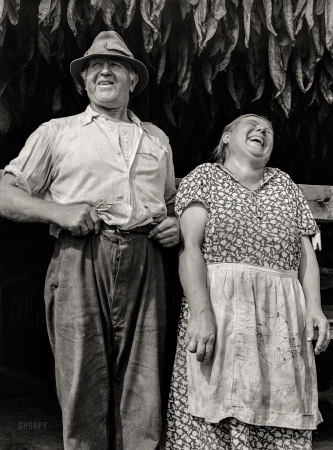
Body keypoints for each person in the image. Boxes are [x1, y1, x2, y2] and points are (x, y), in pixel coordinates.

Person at [0, 31, 179, 450]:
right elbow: (6, 193)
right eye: (94, 66)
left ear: (132, 79)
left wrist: (172, 223)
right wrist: (57, 212)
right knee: (82, 377)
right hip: (80, 256)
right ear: (84, 82)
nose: (103, 70)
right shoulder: (57, 131)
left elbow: (170, 201)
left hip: (145, 258)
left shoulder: (157, 138)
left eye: (115, 64)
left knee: (144, 380)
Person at [165, 114, 330, 450]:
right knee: (215, 410)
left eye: (268, 129)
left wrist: (314, 307)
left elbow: (305, 255)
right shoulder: (205, 177)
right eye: (252, 124)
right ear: (226, 137)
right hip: (220, 311)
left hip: (280, 318)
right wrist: (200, 313)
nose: (262, 130)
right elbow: (190, 248)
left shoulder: (284, 184)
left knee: (280, 407)